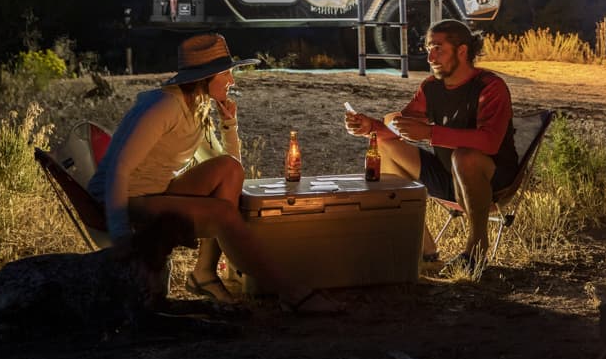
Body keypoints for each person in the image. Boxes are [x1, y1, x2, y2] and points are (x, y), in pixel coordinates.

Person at [88, 33, 341, 314]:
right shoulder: (163, 106)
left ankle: (204, 273)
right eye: (226, 74)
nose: (231, 81)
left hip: (155, 190)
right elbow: (119, 168)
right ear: (205, 77)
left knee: (228, 170)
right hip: (121, 198)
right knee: (222, 213)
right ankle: (291, 292)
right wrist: (121, 235)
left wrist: (229, 125)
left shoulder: (197, 106)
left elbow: (230, 167)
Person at [344, 19, 517, 277]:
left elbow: (489, 142)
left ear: (462, 51)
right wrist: (370, 126)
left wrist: (429, 133)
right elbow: (400, 126)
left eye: (438, 49)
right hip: (449, 177)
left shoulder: (490, 87)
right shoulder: (431, 87)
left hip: (492, 182)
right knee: (384, 145)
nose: (430, 58)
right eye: (428, 49)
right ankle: (424, 252)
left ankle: (476, 250)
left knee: (464, 157)